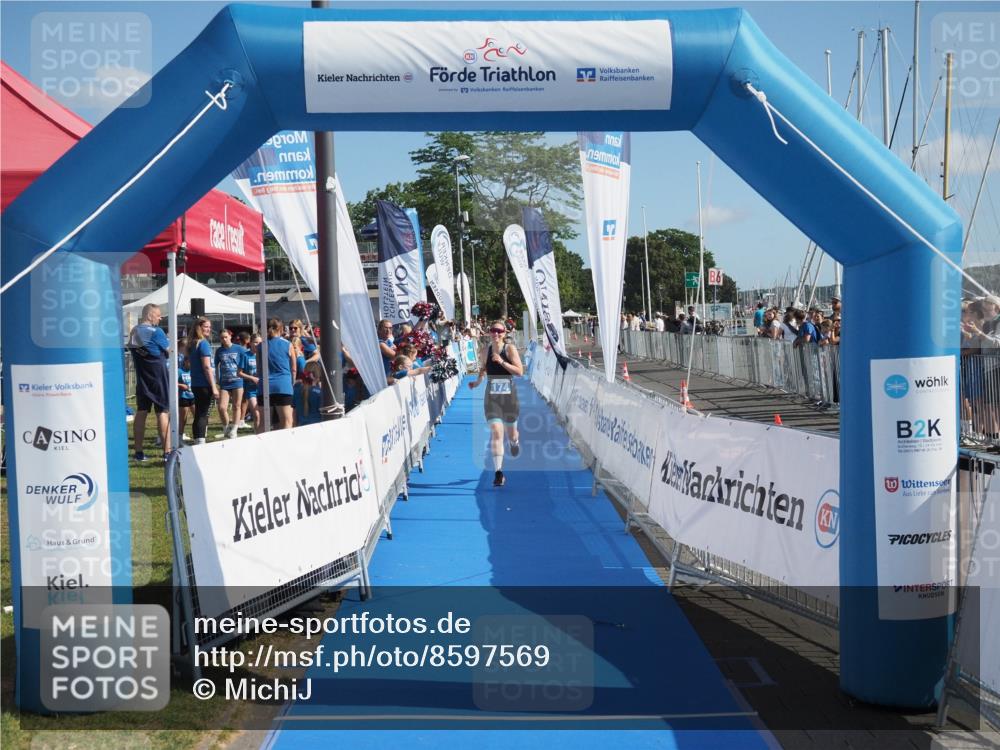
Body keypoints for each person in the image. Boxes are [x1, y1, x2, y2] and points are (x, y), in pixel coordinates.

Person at [469, 320, 524, 487]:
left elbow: (520, 372)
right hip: (492, 398)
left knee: (512, 434)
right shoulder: (485, 350)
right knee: (496, 433)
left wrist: (502, 362)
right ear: (489, 332)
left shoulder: (510, 349)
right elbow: (484, 369)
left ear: (505, 332)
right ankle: (498, 472)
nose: (496, 334)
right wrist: (478, 382)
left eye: (499, 331)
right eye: (493, 330)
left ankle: (514, 443)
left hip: (509, 398)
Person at [129, 303, 171, 461]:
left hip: (142, 377)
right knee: (162, 412)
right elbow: (169, 351)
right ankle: (167, 453)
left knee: (141, 411)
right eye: (158, 315)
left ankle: (138, 453)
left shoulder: (134, 331)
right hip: (158, 376)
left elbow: (135, 350)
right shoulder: (157, 331)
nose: (160, 318)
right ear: (150, 315)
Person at [187, 318, 218, 444]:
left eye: (209, 327)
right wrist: (214, 386)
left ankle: (198, 440)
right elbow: (206, 367)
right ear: (198, 327)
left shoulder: (193, 343)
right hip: (204, 384)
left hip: (196, 383)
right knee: (202, 414)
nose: (208, 329)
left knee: (199, 413)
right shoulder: (203, 343)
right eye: (206, 326)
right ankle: (200, 441)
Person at [261, 317, 296, 430]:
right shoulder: (288, 344)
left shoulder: (260, 345)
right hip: (283, 385)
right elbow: (293, 368)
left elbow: (258, 369)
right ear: (280, 328)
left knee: (264, 423)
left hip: (265, 385)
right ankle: (285, 446)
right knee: (286, 420)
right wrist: (293, 382)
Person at [214, 329, 244, 439]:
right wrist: (217, 378)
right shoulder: (219, 351)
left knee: (237, 405)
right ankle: (226, 427)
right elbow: (216, 365)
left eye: (226, 337)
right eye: (222, 338)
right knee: (222, 407)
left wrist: (244, 374)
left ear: (230, 336)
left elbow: (245, 361)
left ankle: (235, 428)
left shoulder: (239, 349)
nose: (224, 339)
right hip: (224, 382)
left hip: (237, 381)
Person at [238, 332, 261, 434]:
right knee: (256, 414)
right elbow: (239, 373)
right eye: (255, 342)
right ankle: (258, 435)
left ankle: (261, 434)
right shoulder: (245, 355)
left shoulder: (264, 355)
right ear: (250, 343)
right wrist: (252, 378)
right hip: (251, 389)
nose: (257, 345)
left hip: (263, 388)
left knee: (263, 415)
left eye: (260, 343)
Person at [176, 338, 195, 442]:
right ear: (185, 361)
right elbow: (172, 382)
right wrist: (180, 385)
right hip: (183, 397)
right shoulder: (179, 371)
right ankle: (179, 436)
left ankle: (197, 434)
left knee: (197, 415)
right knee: (183, 418)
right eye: (189, 362)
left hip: (193, 396)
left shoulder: (194, 371)